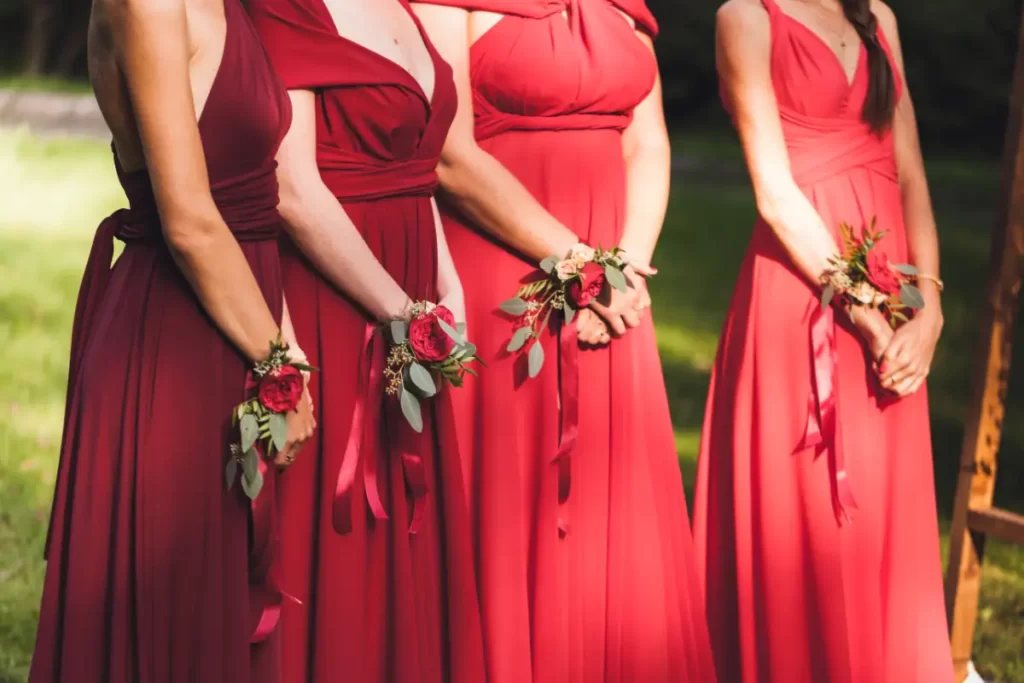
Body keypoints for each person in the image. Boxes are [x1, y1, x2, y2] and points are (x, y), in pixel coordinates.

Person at [409, 2, 718, 681]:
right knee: (511, 513)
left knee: (610, 523)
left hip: (615, 295)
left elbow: (647, 143)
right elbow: (445, 154)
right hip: (504, 279)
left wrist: (625, 267)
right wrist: (581, 263)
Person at [30, 0, 315, 681]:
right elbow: (188, 218)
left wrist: (287, 345)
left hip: (239, 319)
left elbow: (258, 202)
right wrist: (280, 364)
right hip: (173, 343)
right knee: (170, 617)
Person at [693, 0, 954, 681]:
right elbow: (774, 192)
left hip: (896, 291)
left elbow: (913, 173)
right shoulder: (745, 17)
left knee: (884, 521)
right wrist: (861, 311)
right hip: (801, 287)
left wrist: (929, 308)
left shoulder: (879, 19)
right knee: (807, 517)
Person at [246, 0, 487, 680]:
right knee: (338, 526)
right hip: (336, 292)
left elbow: (419, 168)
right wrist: (401, 310)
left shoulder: (403, 7)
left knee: (407, 530)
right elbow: (293, 188)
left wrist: (448, 287)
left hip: (412, 298)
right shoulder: (285, 9)